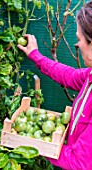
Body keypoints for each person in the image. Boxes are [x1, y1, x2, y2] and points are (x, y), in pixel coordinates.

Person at [17, 1, 92, 170]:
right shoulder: (90, 76)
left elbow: (80, 163)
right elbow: (70, 76)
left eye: (80, 39)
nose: (77, 44)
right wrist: (36, 56)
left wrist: (35, 143)